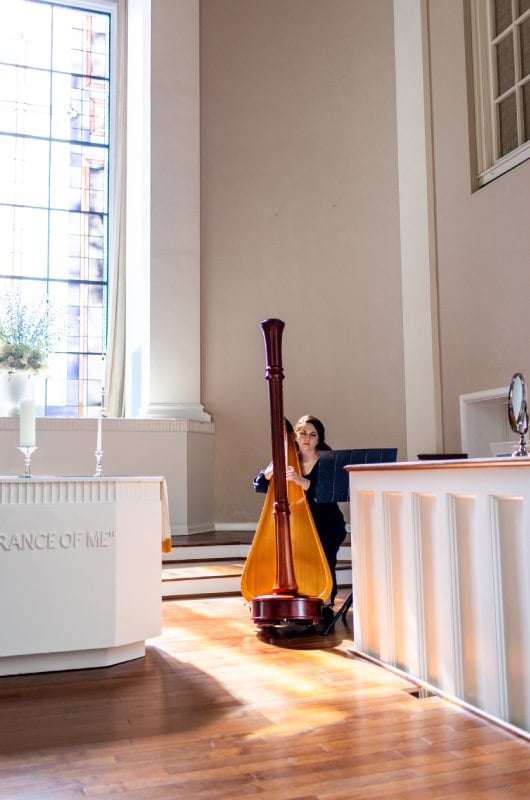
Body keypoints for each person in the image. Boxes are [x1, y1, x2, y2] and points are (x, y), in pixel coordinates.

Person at [253, 414, 347, 609]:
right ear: (294, 436)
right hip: (300, 522)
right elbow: (259, 486)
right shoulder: (288, 457)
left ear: (319, 438)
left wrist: (300, 481)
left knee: (325, 559)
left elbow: (329, 494)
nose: (307, 438)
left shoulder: (328, 460)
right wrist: (268, 473)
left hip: (327, 522)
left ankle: (327, 600)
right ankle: (305, 598)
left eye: (313, 434)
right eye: (303, 433)